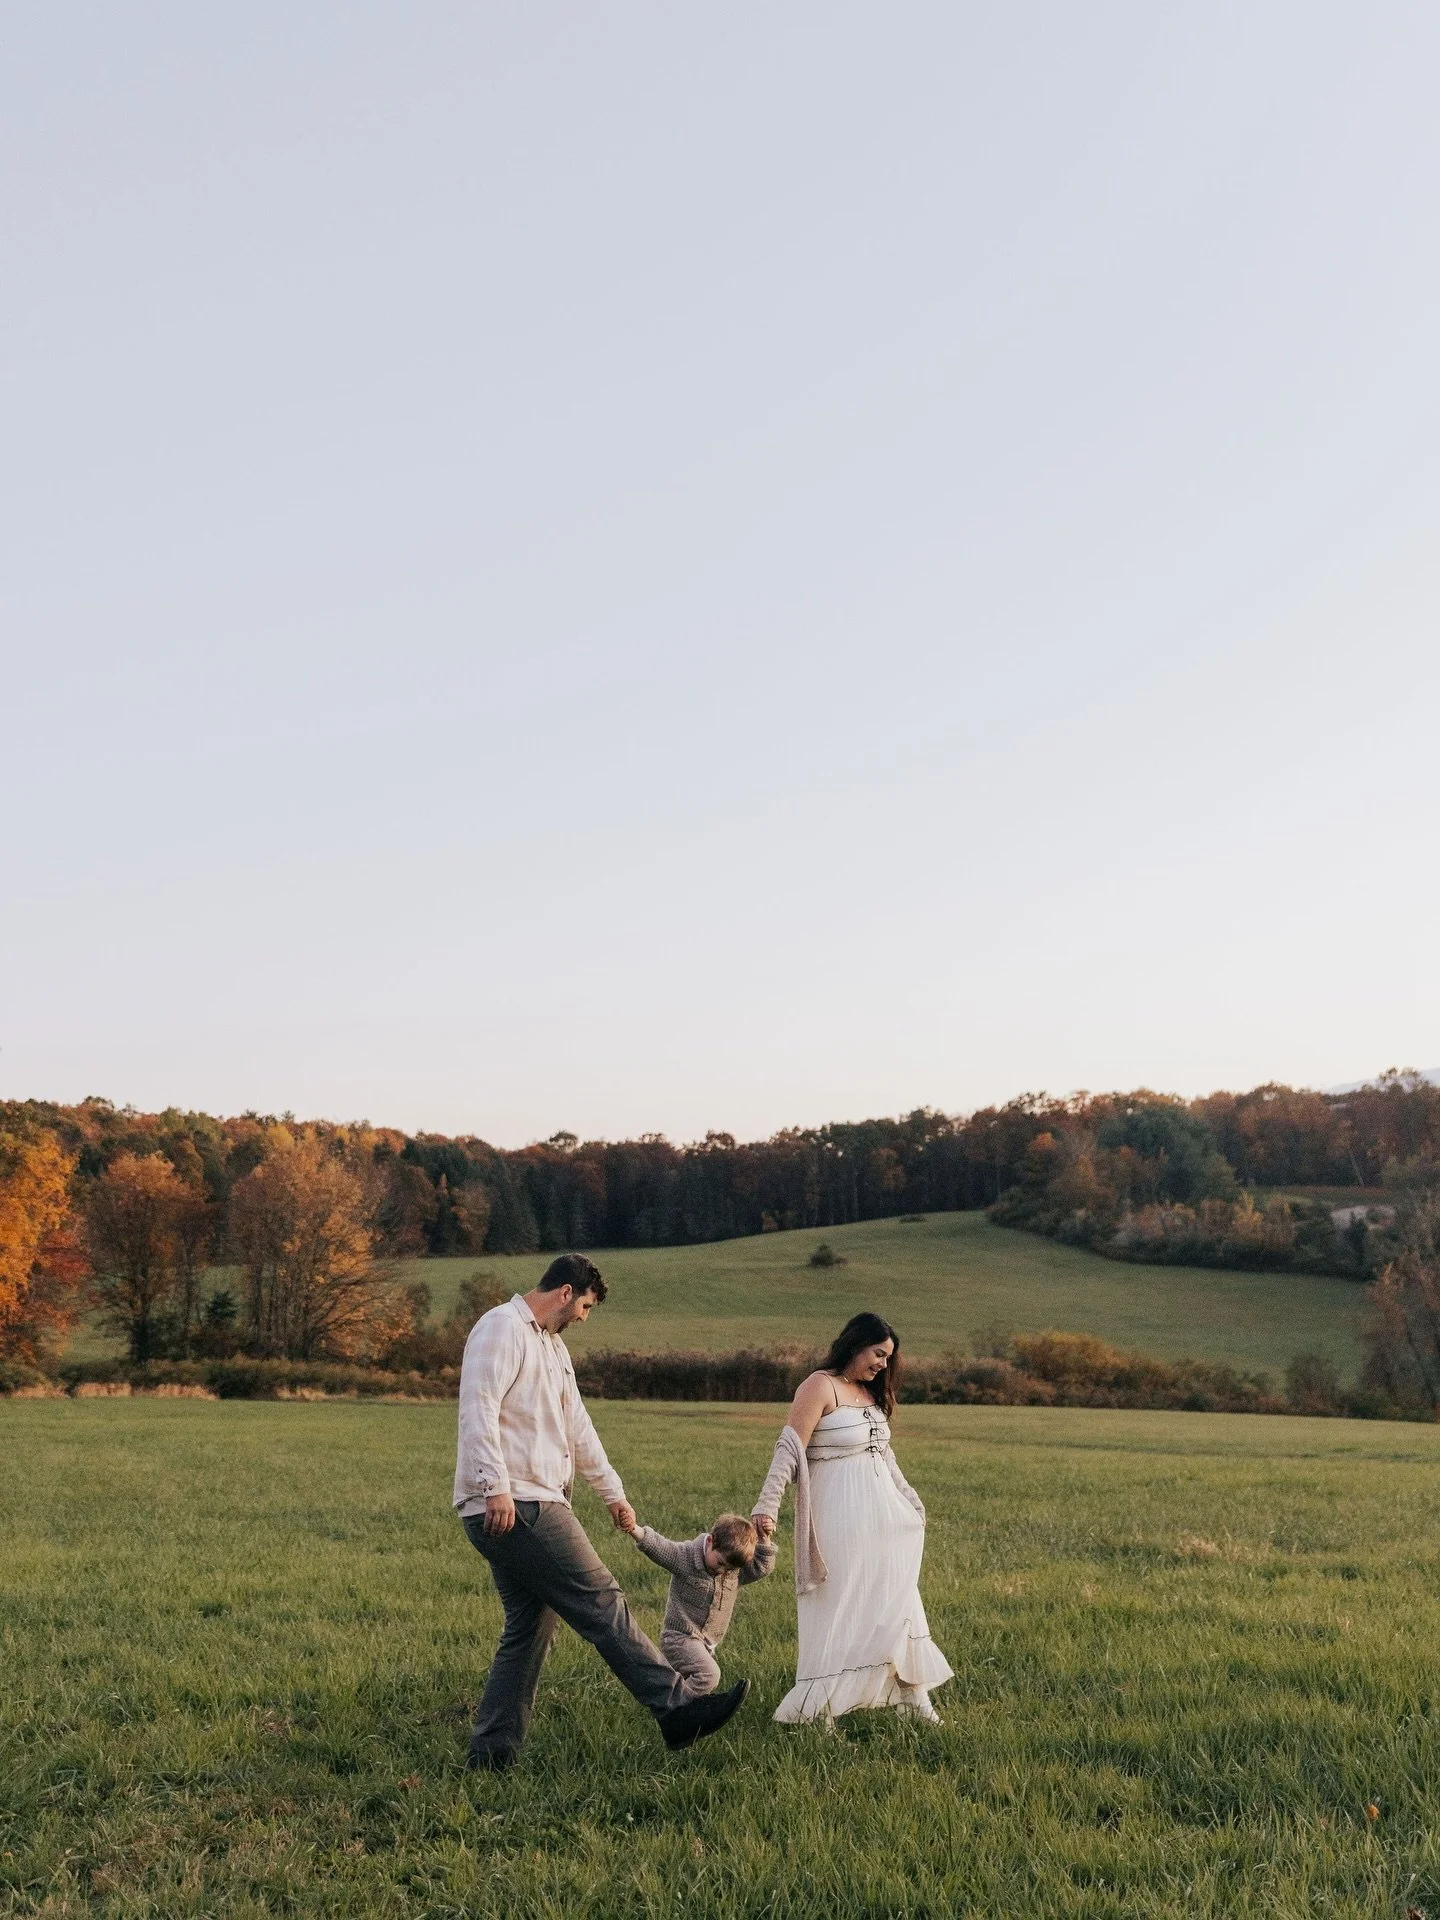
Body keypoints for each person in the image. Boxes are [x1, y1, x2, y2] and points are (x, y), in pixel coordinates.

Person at [455, 1253, 749, 1768]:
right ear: (566, 1292)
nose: (585, 1318)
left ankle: (491, 1754)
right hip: (517, 1501)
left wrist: (612, 1493)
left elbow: (579, 1428)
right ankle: (678, 1709)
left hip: (530, 1497)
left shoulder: (552, 1347)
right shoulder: (501, 1328)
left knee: (529, 1629)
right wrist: (494, 1486)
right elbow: (477, 1406)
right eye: (586, 1306)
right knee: (602, 1600)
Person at [751, 1310, 952, 1725]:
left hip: (884, 1516)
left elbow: (884, 1453)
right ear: (855, 1344)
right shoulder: (819, 1385)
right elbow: (789, 1448)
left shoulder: (871, 1394)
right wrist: (767, 1505)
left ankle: (913, 1697)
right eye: (878, 1354)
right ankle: (820, 1710)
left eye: (887, 1358)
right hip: (838, 1515)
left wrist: (911, 1499)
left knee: (899, 1601)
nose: (882, 1365)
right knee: (839, 1605)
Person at [625, 1511, 777, 1696]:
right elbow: (659, 1547)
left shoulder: (732, 1571)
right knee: (709, 1675)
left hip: (704, 1644)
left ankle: (681, 1707)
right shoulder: (686, 1558)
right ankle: (677, 1709)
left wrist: (764, 1538)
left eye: (729, 1568)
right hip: (679, 1638)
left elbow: (762, 1567)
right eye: (720, 1563)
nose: (722, 1570)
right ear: (712, 1541)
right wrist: (633, 1529)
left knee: (683, 1683)